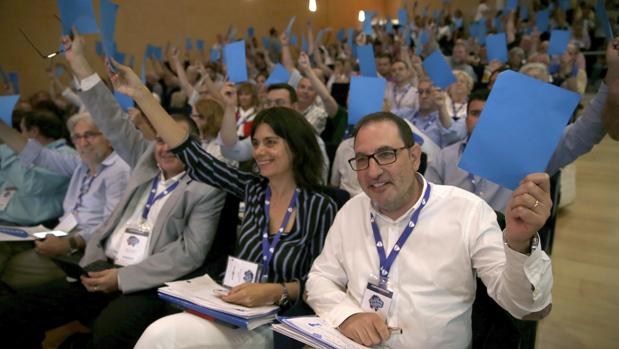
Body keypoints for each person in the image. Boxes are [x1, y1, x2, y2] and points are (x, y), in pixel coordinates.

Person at [0, 30, 226, 348]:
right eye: (160, 139)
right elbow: (111, 122)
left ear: (193, 147)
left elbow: (188, 254)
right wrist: (79, 62)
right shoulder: (146, 161)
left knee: (108, 333)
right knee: (12, 310)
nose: (164, 147)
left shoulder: (204, 186)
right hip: (99, 266)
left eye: (174, 141)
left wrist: (122, 278)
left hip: (144, 281)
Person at [100, 56, 338, 349]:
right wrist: (141, 94)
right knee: (160, 333)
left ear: (297, 146)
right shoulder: (253, 189)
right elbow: (193, 156)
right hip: (230, 308)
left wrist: (275, 291)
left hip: (277, 321)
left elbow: (321, 281)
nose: (260, 151)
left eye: (271, 142)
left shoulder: (321, 206)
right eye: (257, 143)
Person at [306, 112, 553, 348]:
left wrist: (520, 244)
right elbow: (320, 278)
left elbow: (526, 307)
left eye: (386, 154)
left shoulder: (467, 212)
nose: (373, 171)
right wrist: (347, 316)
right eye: (362, 159)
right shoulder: (351, 211)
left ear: (414, 157)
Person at [426, 39, 619, 212]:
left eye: (492, 113)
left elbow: (586, 132)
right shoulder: (445, 158)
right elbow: (427, 209)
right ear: (466, 118)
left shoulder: (530, 154)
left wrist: (613, 73)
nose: (484, 120)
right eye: (476, 114)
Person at [0, 111, 130, 289]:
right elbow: (39, 156)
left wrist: (70, 243)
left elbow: (111, 225)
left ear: (108, 137)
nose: (82, 143)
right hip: (61, 235)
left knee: (13, 270)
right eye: (77, 137)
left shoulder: (118, 169)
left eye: (89, 135)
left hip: (87, 249)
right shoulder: (82, 164)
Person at [0, 110, 75, 227]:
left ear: (34, 132)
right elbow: (6, 180)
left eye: (22, 131)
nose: (20, 136)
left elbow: (30, 185)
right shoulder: (32, 155)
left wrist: (9, 149)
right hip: (7, 218)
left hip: (36, 227)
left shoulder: (65, 156)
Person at [409, 79, 467, 148]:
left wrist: (442, 106)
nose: (423, 96)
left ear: (440, 94)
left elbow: (453, 138)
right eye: (420, 92)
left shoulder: (443, 120)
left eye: (428, 92)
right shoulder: (405, 114)